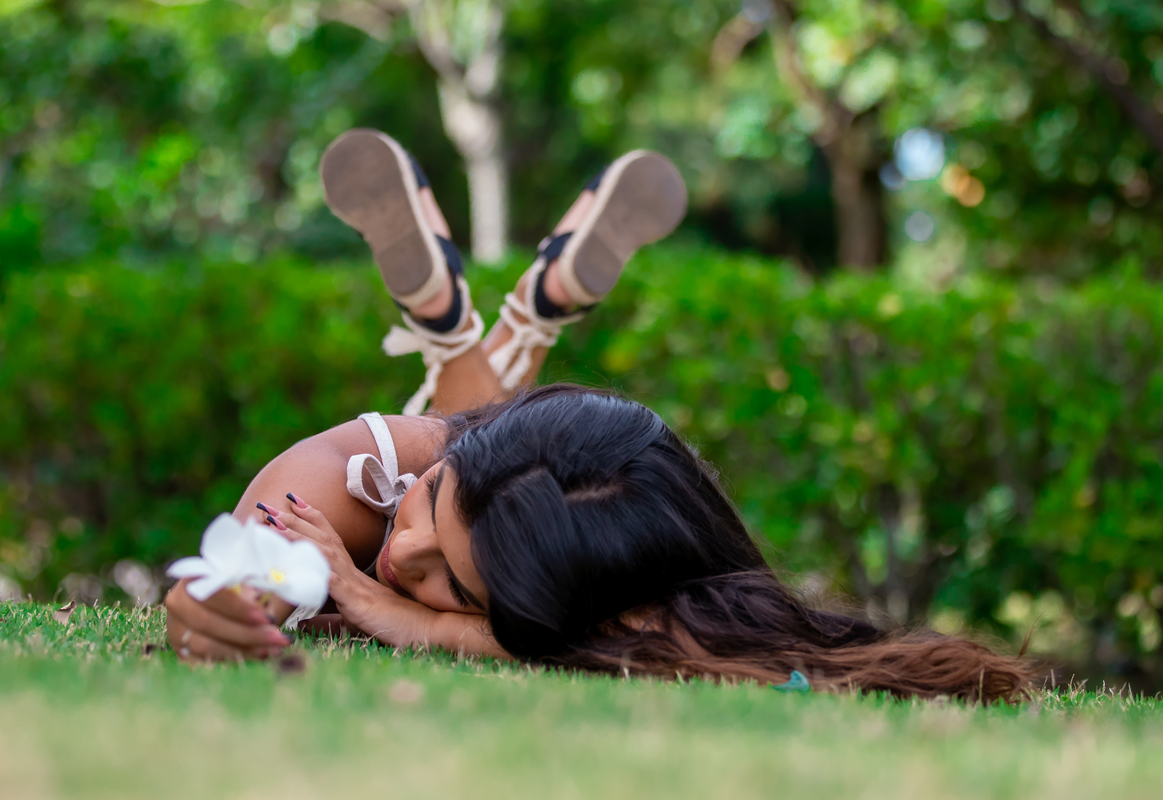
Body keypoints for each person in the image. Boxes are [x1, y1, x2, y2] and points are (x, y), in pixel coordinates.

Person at [164, 130, 1034, 703]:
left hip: (507, 482)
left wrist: (411, 620)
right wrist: (222, 608)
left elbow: (661, 643)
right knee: (472, 433)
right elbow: (229, 579)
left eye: (458, 588)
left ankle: (482, 319)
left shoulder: (589, 573)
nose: (400, 554)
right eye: (428, 506)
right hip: (447, 445)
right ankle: (508, 322)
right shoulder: (352, 483)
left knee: (490, 440)